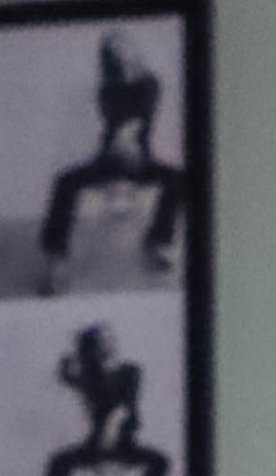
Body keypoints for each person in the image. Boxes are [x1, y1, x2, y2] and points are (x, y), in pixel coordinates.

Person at [36, 32, 189, 289]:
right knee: (65, 182)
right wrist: (120, 140)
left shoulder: (150, 84)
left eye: (124, 51)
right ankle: (55, 259)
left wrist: (129, 137)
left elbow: (142, 112)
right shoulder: (107, 90)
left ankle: (158, 242)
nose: (122, 57)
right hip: (108, 160)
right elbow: (116, 126)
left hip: (141, 162)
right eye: (114, 54)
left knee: (179, 179)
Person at [31, 321, 169, 476]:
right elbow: (65, 376)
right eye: (103, 339)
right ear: (93, 346)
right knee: (58, 464)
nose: (110, 342)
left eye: (111, 337)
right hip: (94, 445)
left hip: (122, 444)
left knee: (160, 461)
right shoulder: (88, 376)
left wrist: (109, 440)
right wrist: (70, 358)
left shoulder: (131, 371)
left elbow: (123, 408)